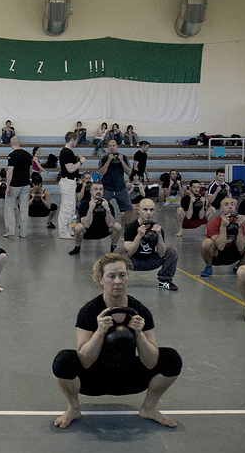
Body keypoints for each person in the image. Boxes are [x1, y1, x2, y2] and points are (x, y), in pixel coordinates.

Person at [52, 253, 182, 429]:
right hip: (94, 379)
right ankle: (73, 408)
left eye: (122, 275)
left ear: (128, 276)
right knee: (63, 360)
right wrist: (100, 332)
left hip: (130, 378)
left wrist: (139, 334)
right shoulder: (89, 311)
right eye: (111, 276)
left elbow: (151, 362)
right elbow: (85, 360)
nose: (118, 281)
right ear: (101, 279)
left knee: (171, 358)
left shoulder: (140, 311)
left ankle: (149, 408)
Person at [122, 199, 179, 290]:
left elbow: (161, 253)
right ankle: (120, 280)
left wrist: (159, 235)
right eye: (145, 210)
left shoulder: (157, 228)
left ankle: (165, 281)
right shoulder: (131, 227)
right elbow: (128, 252)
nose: (149, 213)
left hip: (151, 261)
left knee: (172, 251)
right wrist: (139, 236)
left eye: (151, 210)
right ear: (139, 210)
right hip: (133, 262)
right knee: (119, 251)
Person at [70, 182, 123, 255]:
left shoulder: (108, 204)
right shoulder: (84, 204)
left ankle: (113, 248)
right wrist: (90, 209)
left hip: (103, 231)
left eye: (100, 189)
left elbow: (111, 224)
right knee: (78, 227)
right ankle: (77, 247)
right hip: (88, 232)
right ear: (91, 192)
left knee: (117, 226)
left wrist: (107, 209)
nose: (98, 191)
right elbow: (86, 224)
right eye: (95, 189)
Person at [199, 197, 245, 277]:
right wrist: (223, 227)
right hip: (217, 255)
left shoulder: (240, 222)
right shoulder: (214, 223)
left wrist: (239, 228)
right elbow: (220, 246)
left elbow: (240, 247)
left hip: (233, 252)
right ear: (221, 209)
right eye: (226, 204)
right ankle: (208, 267)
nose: (230, 206)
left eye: (232, 204)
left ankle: (238, 267)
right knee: (206, 243)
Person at [97, 139, 135, 224]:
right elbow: (101, 172)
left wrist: (121, 161)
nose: (112, 148)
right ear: (108, 147)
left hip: (120, 187)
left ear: (117, 147)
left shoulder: (123, 157)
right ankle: (101, 225)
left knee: (129, 207)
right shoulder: (104, 158)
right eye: (110, 146)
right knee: (100, 206)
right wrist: (109, 161)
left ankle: (128, 226)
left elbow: (129, 172)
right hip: (107, 187)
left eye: (114, 146)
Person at [57, 132, 85, 240]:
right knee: (66, 208)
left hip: (71, 182)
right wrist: (81, 162)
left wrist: (76, 159)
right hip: (67, 182)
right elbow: (70, 169)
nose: (77, 142)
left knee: (71, 207)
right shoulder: (66, 152)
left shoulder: (69, 153)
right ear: (72, 139)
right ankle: (63, 232)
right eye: (76, 139)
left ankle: (67, 230)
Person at [4, 136, 33, 238]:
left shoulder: (11, 155)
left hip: (14, 185)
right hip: (25, 184)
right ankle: (23, 233)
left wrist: (8, 186)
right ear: (20, 143)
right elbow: (30, 170)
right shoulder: (28, 155)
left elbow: (10, 172)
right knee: (24, 209)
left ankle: (10, 231)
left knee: (9, 208)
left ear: (11, 144)